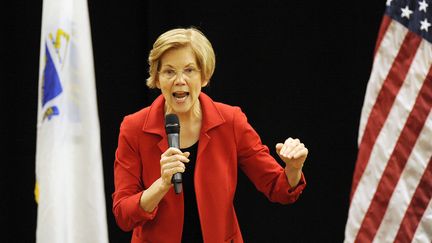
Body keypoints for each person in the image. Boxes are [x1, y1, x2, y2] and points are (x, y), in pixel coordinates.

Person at [112, 27, 308, 243]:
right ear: (157, 79)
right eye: (169, 71)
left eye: (189, 70)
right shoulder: (134, 128)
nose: (179, 80)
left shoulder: (230, 121)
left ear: (204, 76)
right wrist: (161, 185)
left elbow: (278, 188)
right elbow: (123, 215)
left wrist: (293, 168)